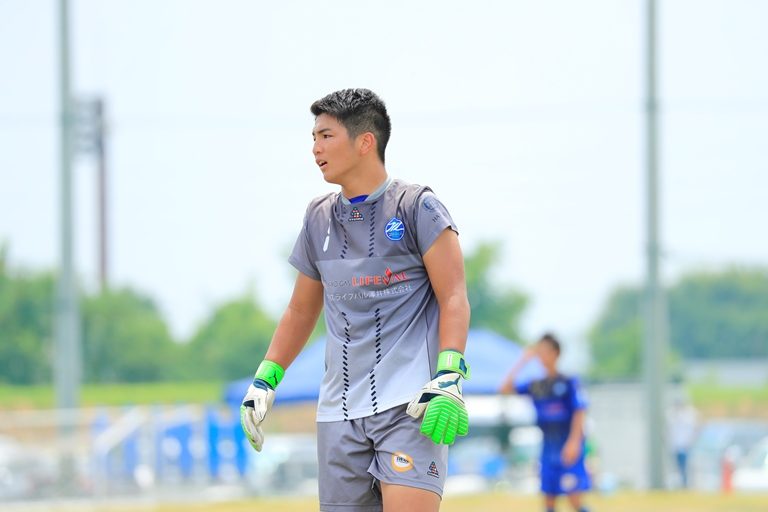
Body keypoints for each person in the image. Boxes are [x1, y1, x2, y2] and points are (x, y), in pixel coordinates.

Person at [239, 88, 471, 512]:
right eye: (313, 137)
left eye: (326, 136)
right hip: (338, 411)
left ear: (365, 142)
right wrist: (265, 379)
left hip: (409, 406)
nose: (315, 148)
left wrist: (449, 374)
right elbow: (300, 309)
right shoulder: (318, 217)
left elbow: (453, 295)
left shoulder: (417, 207)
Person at [500, 333, 591, 512]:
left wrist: (574, 442)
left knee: (574, 499)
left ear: (556, 353)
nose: (541, 355)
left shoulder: (568, 382)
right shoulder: (537, 385)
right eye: (539, 351)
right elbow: (504, 388)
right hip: (548, 446)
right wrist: (522, 361)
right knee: (549, 500)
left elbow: (580, 411)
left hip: (567, 444)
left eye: (545, 351)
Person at [667, 397, 698, 488]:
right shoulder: (672, 415)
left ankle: (685, 484)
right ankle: (680, 484)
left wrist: (691, 441)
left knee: (685, 466)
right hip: (676, 446)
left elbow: (694, 429)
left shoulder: (688, 415)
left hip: (685, 445)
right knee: (677, 466)